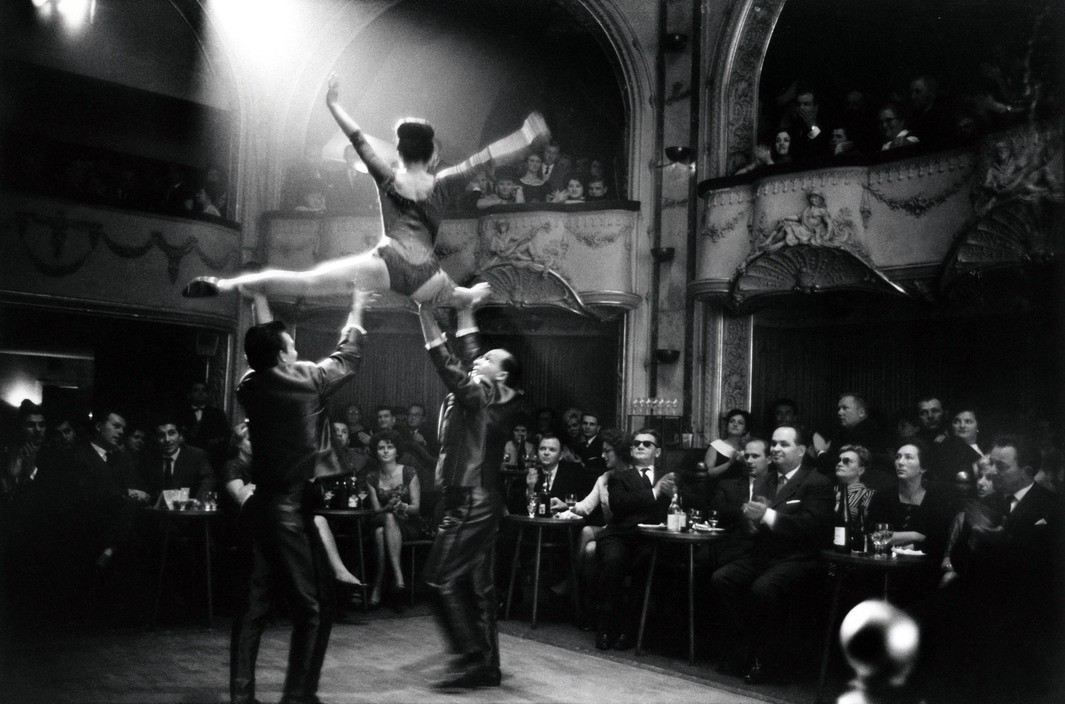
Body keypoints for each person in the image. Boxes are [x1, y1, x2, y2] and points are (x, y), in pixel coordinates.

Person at [184, 74, 548, 309]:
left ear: (399, 152)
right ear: (432, 154)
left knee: (305, 282)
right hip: (425, 274)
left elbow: (358, 139)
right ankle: (469, 296)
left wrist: (333, 104)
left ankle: (223, 284)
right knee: (459, 297)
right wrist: (526, 137)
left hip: (387, 264)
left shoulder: (388, 178)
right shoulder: (445, 181)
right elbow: (487, 157)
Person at [229, 288, 371, 704]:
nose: (296, 351)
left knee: (253, 608)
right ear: (282, 356)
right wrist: (357, 306)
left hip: (260, 507)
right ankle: (298, 697)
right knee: (314, 608)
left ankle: (242, 697)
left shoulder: (248, 385)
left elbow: (264, 351)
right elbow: (348, 357)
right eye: (291, 346)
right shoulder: (306, 379)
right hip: (291, 509)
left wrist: (258, 300)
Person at [416, 298, 523, 690]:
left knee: (436, 579)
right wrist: (464, 311)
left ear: (501, 375)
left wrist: (424, 313)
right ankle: (488, 666)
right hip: (476, 499)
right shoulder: (483, 392)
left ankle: (471, 656)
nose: (480, 357)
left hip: (473, 501)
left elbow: (449, 365)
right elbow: (469, 357)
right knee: (479, 588)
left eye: (489, 358)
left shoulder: (484, 395)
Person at [710, 425, 833, 684]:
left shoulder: (817, 482)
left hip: (799, 557)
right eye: (774, 443)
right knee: (723, 579)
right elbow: (754, 523)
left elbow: (812, 528)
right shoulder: (767, 480)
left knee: (763, 589)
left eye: (784, 444)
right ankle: (745, 648)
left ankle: (766, 660)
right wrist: (751, 522)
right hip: (764, 553)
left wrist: (767, 515)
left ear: (801, 450)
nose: (776, 448)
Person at [595, 428, 675, 651]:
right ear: (630, 450)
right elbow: (619, 504)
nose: (640, 446)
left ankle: (629, 630)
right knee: (613, 562)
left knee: (647, 563)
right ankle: (604, 627)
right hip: (619, 536)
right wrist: (655, 492)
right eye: (636, 443)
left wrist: (676, 495)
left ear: (657, 452)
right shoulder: (619, 477)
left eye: (647, 444)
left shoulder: (669, 477)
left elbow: (691, 503)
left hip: (651, 540)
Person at [557, 428, 629, 630]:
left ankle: (574, 587)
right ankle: (589, 602)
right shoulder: (604, 478)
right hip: (609, 531)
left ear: (620, 452)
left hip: (627, 534)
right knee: (589, 547)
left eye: (607, 451)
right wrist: (565, 505)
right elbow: (586, 507)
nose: (603, 455)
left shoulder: (634, 476)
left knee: (588, 535)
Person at [866, 440, 956, 565]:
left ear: (923, 468)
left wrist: (907, 542)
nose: (900, 462)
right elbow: (875, 536)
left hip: (924, 568)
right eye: (898, 457)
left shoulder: (936, 501)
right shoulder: (883, 496)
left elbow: (939, 542)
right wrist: (915, 536)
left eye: (908, 457)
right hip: (882, 564)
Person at [365, 429, 425, 609]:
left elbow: (416, 508)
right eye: (380, 448)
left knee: (380, 532)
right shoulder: (372, 477)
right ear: (375, 452)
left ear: (397, 450)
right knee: (387, 519)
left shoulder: (409, 472)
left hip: (407, 523)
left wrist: (401, 506)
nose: (385, 451)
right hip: (382, 517)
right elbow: (376, 510)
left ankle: (378, 585)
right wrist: (389, 507)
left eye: (390, 447)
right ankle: (399, 579)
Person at [141, 417, 217, 501]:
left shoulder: (196, 455)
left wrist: (196, 502)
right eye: (161, 435)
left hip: (189, 507)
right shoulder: (150, 459)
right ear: (156, 439)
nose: (167, 439)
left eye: (171, 433)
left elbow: (208, 480)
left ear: (180, 436)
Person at [704, 408, 750, 480]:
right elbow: (707, 473)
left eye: (740, 423)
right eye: (731, 421)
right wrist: (730, 463)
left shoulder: (747, 449)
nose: (735, 424)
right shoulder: (716, 445)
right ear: (727, 425)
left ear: (745, 430)